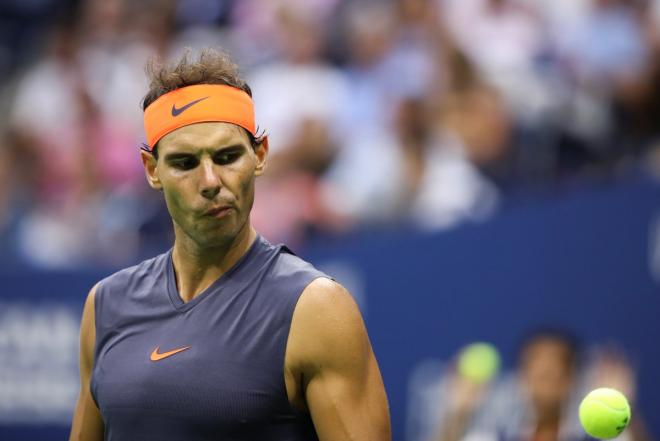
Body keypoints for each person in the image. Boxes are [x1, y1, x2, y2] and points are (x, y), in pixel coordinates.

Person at [68, 48, 391, 441]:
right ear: (152, 170)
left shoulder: (317, 309)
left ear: (260, 155)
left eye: (227, 156)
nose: (209, 181)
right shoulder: (105, 306)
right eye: (184, 163)